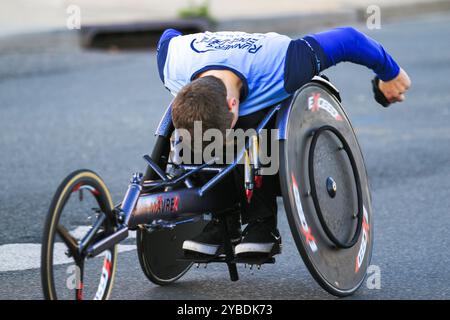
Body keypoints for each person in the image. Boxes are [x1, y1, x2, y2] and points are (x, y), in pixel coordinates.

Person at [155, 27, 411, 259]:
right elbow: (168, 35)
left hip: (264, 81)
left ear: (233, 104)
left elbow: (350, 39)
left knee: (253, 122)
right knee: (193, 129)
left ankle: (262, 222)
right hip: (208, 61)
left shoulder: (287, 63)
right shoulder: (172, 62)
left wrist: (390, 73)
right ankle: (222, 219)